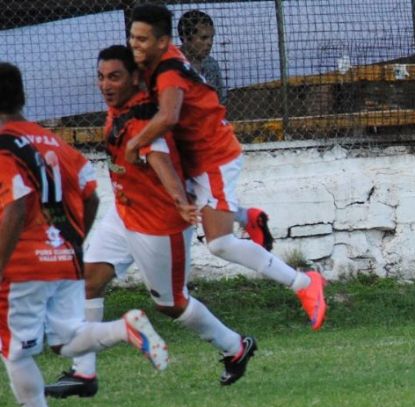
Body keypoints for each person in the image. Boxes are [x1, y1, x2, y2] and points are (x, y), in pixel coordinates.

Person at [44, 45, 256, 398]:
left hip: (158, 223)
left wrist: (178, 200)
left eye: (114, 76)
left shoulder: (142, 118)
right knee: (88, 282)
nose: (106, 84)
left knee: (171, 304)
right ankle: (84, 376)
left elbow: (159, 159)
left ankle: (235, 346)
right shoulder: (121, 109)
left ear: (135, 78)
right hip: (125, 212)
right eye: (101, 76)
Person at [127, 4, 327, 331]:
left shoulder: (169, 72)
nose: (135, 45)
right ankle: (245, 216)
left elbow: (169, 117)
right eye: (133, 38)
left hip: (213, 158)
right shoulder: (161, 63)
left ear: (164, 42)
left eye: (143, 39)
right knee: (183, 204)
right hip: (196, 158)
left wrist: (135, 144)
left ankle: (304, 284)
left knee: (219, 243)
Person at [0, 62, 168, 407]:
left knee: (15, 353)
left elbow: (15, 206)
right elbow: (90, 193)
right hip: (65, 258)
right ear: (22, 97)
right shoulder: (54, 142)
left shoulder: (3, 146)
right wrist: (74, 240)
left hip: (23, 264)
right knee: (66, 339)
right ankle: (125, 328)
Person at [178, 10, 227, 104]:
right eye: (203, 38)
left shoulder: (212, 65)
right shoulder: (173, 64)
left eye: (211, 37)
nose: (209, 43)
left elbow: (221, 100)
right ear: (185, 37)